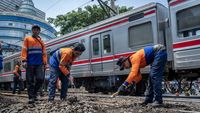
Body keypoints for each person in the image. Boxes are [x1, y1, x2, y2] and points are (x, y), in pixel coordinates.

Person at [21, 25, 47, 104]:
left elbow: (44, 53)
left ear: (39, 31)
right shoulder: (27, 39)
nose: (35, 31)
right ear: (32, 31)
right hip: (30, 63)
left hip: (39, 64)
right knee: (30, 81)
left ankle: (35, 93)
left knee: (40, 79)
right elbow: (24, 50)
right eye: (34, 29)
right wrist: (24, 60)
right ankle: (31, 97)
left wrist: (45, 63)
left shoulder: (41, 41)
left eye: (37, 30)